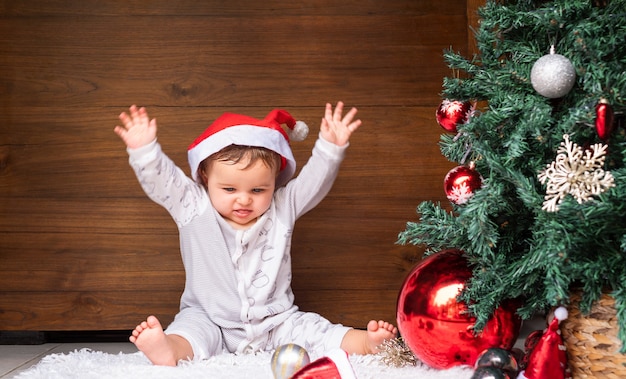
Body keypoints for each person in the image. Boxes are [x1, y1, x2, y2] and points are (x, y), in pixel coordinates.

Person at [114, 102, 397, 366]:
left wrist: (330, 148)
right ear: (204, 179)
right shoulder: (193, 207)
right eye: (229, 189)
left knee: (314, 330)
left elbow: (313, 184)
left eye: (258, 190)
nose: (244, 200)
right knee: (191, 331)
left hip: (275, 321)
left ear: (274, 183)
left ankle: (365, 342)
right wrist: (145, 153)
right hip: (210, 318)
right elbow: (165, 181)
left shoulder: (281, 207)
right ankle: (169, 348)